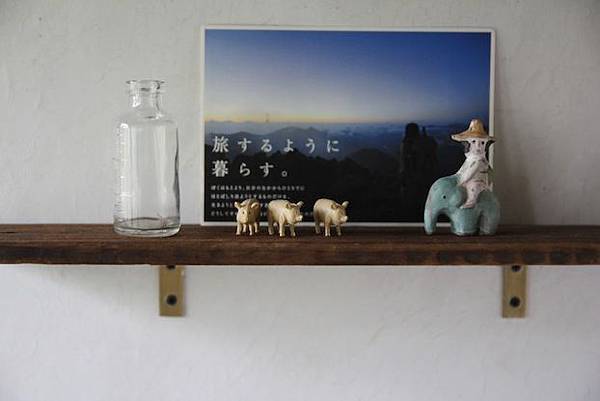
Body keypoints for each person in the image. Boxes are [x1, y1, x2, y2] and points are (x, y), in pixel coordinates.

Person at [451, 119, 494, 209]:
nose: (478, 146)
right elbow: (462, 169)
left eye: (482, 143)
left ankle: (471, 201)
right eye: (474, 142)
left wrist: (460, 182)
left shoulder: (479, 162)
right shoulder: (470, 160)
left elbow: (469, 174)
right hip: (469, 181)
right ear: (467, 144)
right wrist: (456, 176)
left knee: (474, 186)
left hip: (481, 181)